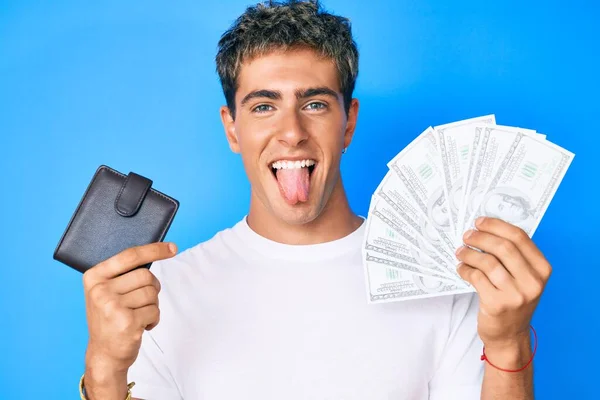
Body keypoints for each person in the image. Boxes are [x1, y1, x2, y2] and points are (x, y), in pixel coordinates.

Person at [79, 1, 552, 399]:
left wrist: (508, 343)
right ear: (231, 128)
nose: (291, 132)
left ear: (348, 122)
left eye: (315, 104)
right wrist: (104, 370)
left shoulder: (445, 284)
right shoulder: (161, 293)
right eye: (264, 106)